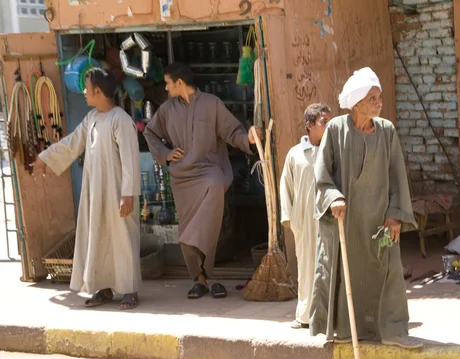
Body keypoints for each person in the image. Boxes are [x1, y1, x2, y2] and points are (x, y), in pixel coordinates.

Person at [309, 67, 423, 349]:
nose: (379, 102)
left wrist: (396, 213)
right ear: (357, 102)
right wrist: (333, 197)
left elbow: (397, 174)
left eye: (379, 96)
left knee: (389, 271)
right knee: (348, 275)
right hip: (347, 220)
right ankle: (348, 331)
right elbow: (322, 174)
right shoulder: (336, 129)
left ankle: (393, 330)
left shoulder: (386, 131)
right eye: (373, 97)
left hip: (382, 221)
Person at [30, 68, 141, 310]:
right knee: (98, 237)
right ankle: (103, 288)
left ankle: (129, 290)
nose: (84, 92)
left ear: (98, 91)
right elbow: (72, 144)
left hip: (117, 192)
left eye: (87, 88)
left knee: (122, 239)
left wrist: (127, 194)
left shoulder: (121, 120)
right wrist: (45, 157)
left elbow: (130, 160)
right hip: (95, 191)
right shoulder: (91, 119)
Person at [143, 62, 256, 300]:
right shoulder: (166, 110)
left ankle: (209, 274)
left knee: (212, 200)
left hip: (210, 171)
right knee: (189, 227)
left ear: (180, 83)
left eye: (168, 83)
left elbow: (232, 132)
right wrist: (165, 154)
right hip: (182, 178)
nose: (165, 88)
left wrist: (249, 139)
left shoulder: (211, 103)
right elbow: (150, 133)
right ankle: (200, 280)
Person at [280, 103, 333, 329]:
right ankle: (305, 316)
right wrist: (291, 220)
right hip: (303, 220)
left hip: (328, 217)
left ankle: (331, 316)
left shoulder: (333, 151)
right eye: (324, 122)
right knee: (307, 266)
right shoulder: (295, 154)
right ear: (309, 125)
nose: (329, 127)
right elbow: (286, 186)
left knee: (330, 265)